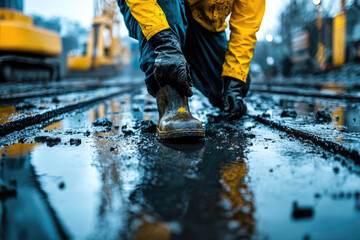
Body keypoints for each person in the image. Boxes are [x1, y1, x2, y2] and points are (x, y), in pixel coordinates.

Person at [117, 0, 265, 139]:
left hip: (203, 20)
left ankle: (183, 56)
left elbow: (245, 26)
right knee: (166, 5)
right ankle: (173, 103)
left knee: (230, 87)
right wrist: (165, 43)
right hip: (153, 7)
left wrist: (234, 78)